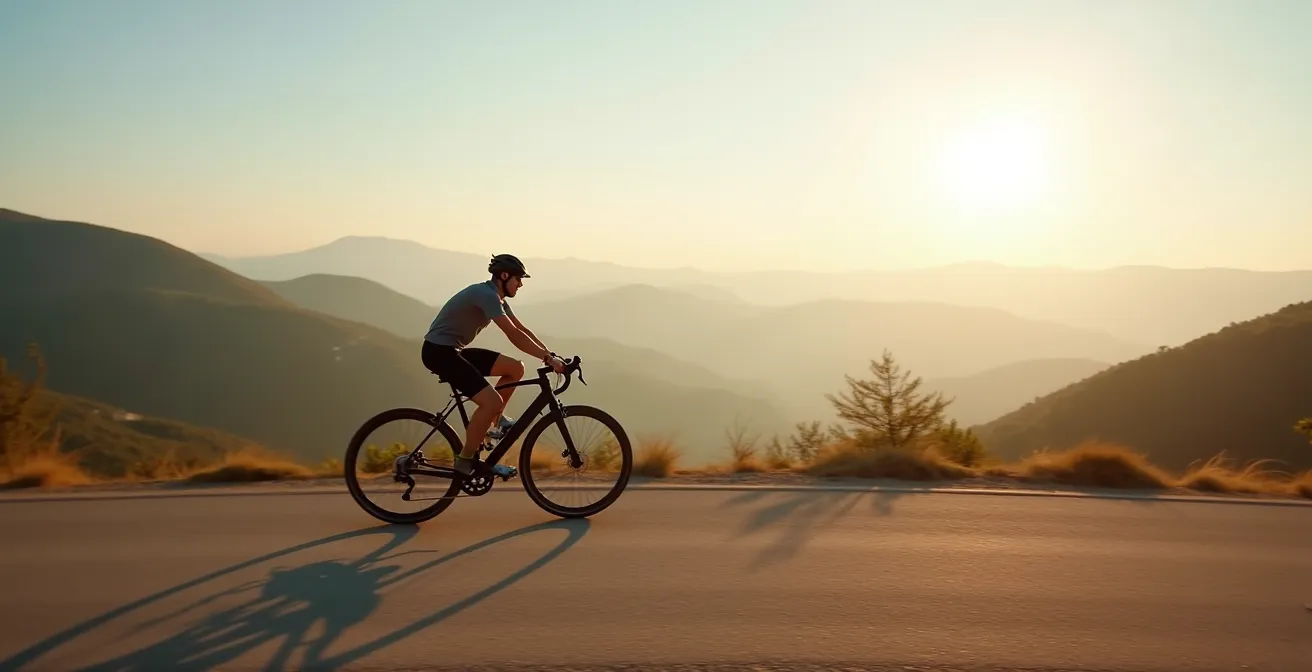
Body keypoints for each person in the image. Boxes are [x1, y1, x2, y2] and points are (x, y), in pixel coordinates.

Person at [421, 253, 565, 476]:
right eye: (518, 279)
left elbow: (521, 329)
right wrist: (547, 360)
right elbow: (513, 335)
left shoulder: (497, 298)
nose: (521, 284)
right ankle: (465, 461)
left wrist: (550, 354)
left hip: (451, 350)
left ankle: (493, 424)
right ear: (504, 276)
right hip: (438, 353)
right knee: (491, 401)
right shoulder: (487, 295)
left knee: (515, 368)